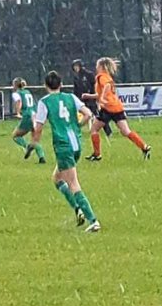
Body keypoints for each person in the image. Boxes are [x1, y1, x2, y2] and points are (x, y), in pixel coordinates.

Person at [32, 70, 100, 231]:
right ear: (61, 84)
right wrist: (76, 125)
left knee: (73, 183)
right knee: (57, 178)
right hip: (76, 143)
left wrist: (35, 139)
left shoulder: (45, 102)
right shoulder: (70, 97)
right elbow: (88, 114)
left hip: (63, 145)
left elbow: (39, 128)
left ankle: (93, 220)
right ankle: (77, 209)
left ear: (45, 86)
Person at [89, 57, 151, 160]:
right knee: (126, 131)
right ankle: (144, 147)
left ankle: (97, 154)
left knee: (94, 129)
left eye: (97, 65)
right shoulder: (108, 77)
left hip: (107, 108)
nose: (96, 67)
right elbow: (104, 92)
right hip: (116, 107)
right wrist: (89, 96)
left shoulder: (101, 77)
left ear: (101, 67)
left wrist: (103, 98)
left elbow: (107, 87)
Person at [10, 78, 45, 163]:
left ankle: (27, 147)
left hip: (27, 116)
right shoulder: (27, 92)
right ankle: (41, 157)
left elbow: (18, 101)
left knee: (15, 136)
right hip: (35, 115)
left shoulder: (16, 93)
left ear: (15, 85)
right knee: (35, 139)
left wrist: (18, 112)